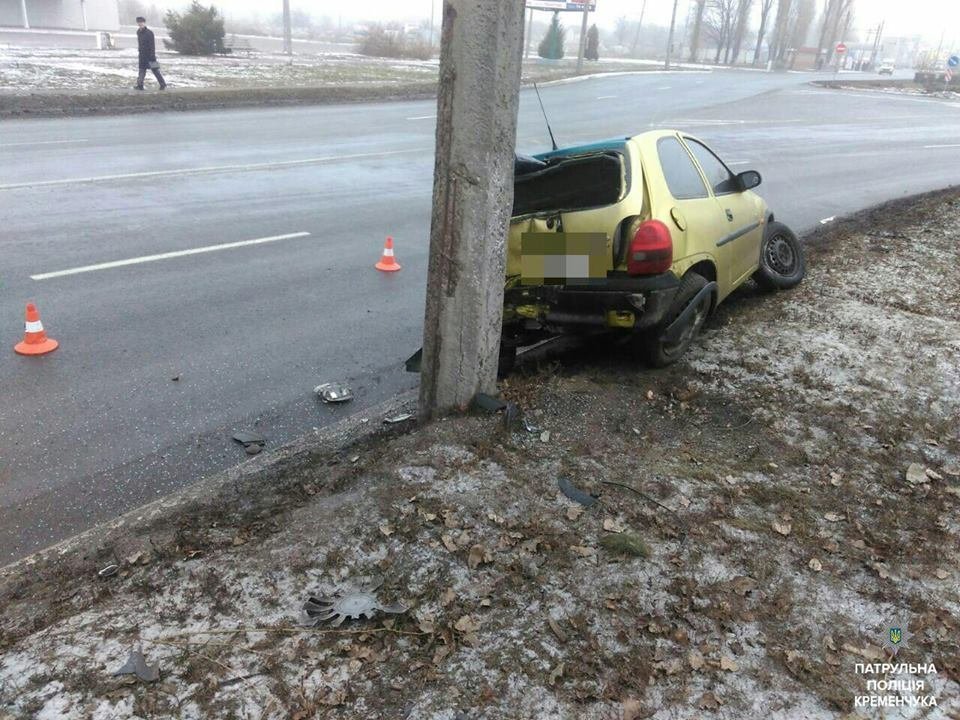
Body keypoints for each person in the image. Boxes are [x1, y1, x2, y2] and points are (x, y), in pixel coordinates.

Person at [136, 16, 167, 90]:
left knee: (155, 70)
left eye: (141, 22)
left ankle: (163, 84)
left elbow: (152, 45)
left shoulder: (149, 33)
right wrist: (139, 51)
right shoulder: (138, 32)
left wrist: (152, 55)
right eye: (139, 22)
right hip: (142, 55)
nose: (140, 24)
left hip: (150, 55)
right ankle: (140, 85)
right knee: (141, 70)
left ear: (144, 23)